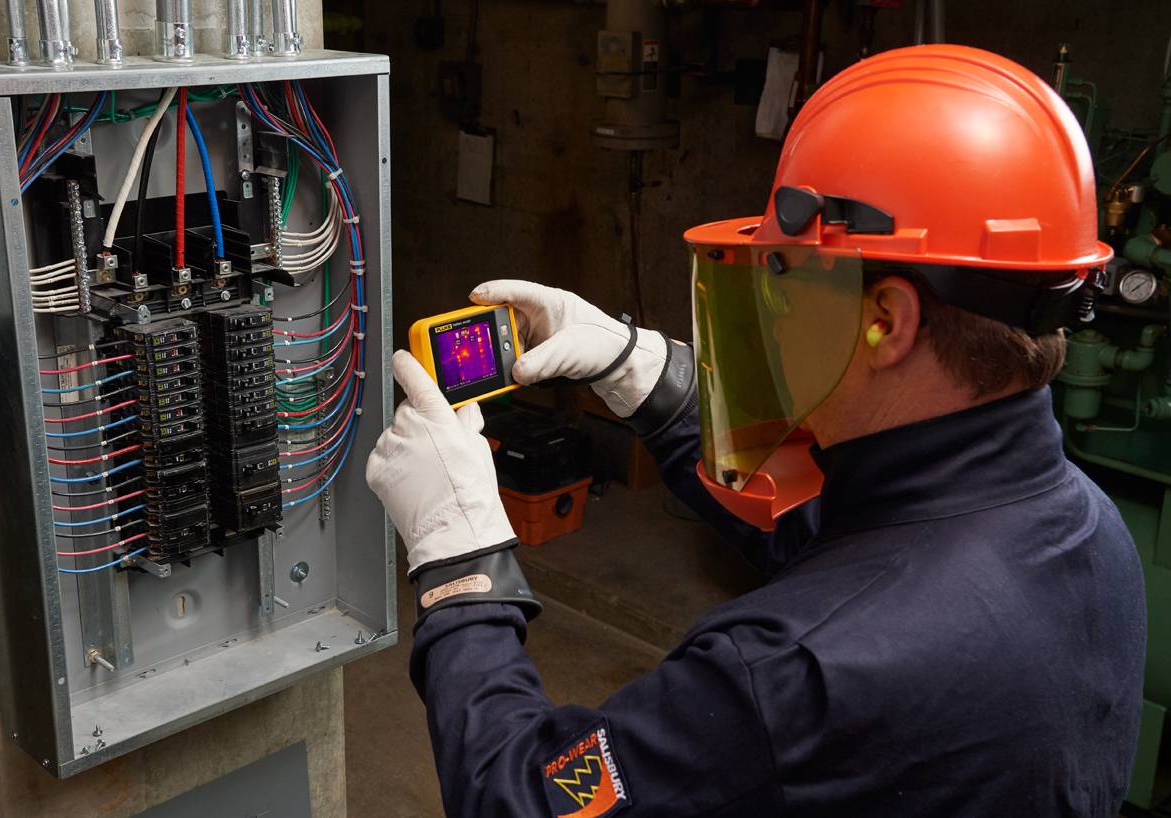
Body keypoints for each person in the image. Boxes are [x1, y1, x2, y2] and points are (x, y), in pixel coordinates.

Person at [365, 44, 1146, 817]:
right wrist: (636, 368)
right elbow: (835, 546)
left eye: (783, 277)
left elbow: (520, 799)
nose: (770, 314)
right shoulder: (1089, 532)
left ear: (884, 321)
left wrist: (459, 562)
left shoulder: (786, 674)